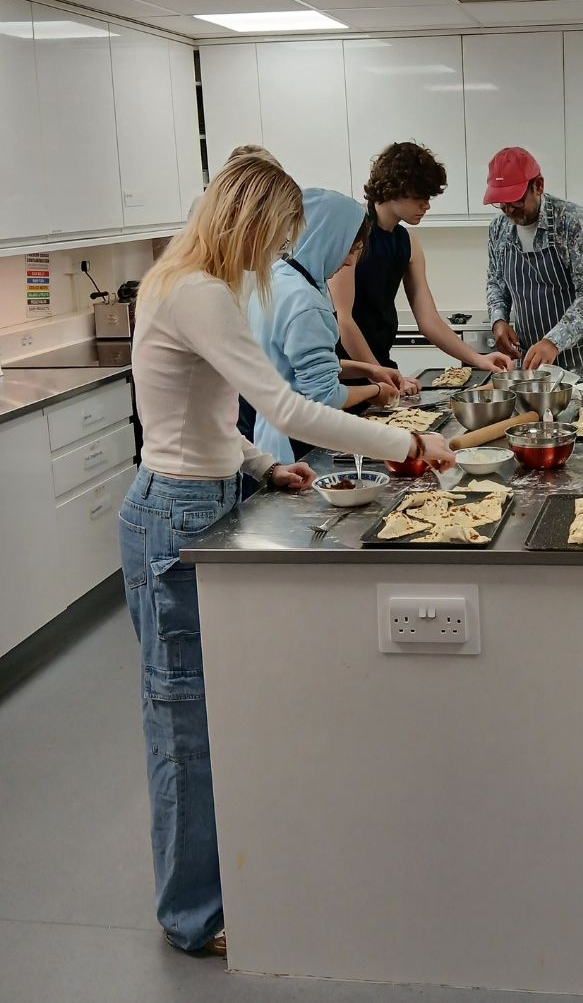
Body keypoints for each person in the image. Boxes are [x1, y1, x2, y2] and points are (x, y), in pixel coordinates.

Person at [119, 155, 454, 960]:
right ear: (249, 221)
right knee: (186, 726)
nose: (277, 254)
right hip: (176, 513)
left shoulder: (186, 280)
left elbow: (201, 414)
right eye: (273, 236)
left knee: (225, 708)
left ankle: (240, 879)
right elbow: (285, 403)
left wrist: (260, 466)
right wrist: (407, 440)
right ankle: (194, 917)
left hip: (200, 492)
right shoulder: (196, 289)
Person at [330, 141, 512, 386]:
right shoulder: (352, 233)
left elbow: (429, 322)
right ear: (394, 187)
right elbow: (345, 321)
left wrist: (479, 360)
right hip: (342, 371)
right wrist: (381, 377)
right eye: (420, 196)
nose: (426, 205)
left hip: (380, 366)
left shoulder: (409, 244)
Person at [248, 187, 400, 464]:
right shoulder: (305, 303)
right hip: (296, 444)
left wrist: (370, 370)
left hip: (267, 432)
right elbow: (325, 397)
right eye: (349, 249)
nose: (350, 261)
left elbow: (298, 367)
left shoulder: (275, 279)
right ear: (327, 240)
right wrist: (376, 392)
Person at [484, 147, 583, 372]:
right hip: (533, 358)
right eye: (501, 203)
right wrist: (498, 320)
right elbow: (496, 283)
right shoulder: (498, 229)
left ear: (538, 186)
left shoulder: (572, 221)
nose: (509, 210)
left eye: (516, 200)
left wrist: (554, 341)